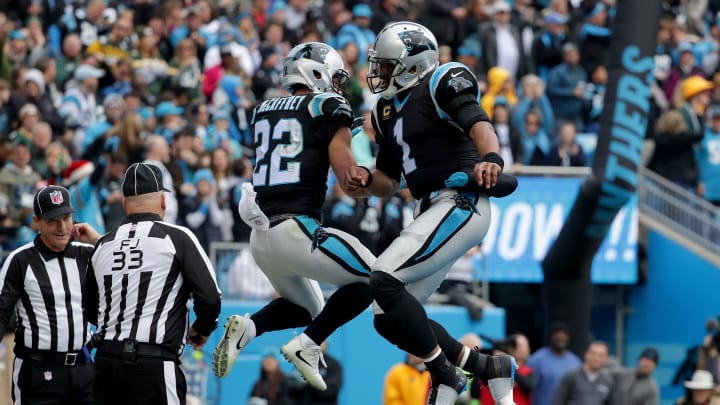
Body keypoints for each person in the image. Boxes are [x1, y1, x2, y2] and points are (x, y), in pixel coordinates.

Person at [351, 21, 517, 405]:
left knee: (383, 278)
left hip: (460, 202)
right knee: (385, 315)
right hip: (427, 209)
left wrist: (491, 157)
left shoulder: (443, 80)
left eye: (387, 65)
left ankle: (444, 374)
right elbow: (389, 180)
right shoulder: (388, 109)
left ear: (412, 63)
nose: (380, 73)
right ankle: (483, 366)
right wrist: (362, 179)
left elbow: (479, 123)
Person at [212, 42, 375, 393]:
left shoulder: (264, 109)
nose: (337, 88)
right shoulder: (327, 107)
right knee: (376, 278)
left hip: (262, 238)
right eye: (333, 78)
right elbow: (349, 182)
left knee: (311, 309)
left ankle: (250, 328)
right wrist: (381, 178)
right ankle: (309, 344)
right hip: (297, 230)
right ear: (315, 73)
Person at [84, 162, 222, 405]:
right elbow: (210, 298)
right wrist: (202, 329)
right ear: (163, 201)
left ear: (124, 204)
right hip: (154, 363)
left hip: (106, 364)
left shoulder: (103, 244)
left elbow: (92, 308)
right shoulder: (177, 237)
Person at [0, 185, 100, 405]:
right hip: (38, 373)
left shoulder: (88, 254)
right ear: (36, 221)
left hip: (83, 370)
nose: (62, 227)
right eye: (52, 220)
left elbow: (131, 272)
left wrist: (99, 241)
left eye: (66, 218)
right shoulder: (20, 261)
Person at [527, 322, 582, 405]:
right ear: (551, 337)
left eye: (564, 335)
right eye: (557, 335)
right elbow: (528, 387)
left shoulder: (575, 361)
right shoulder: (537, 359)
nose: (561, 338)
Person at [551, 340, 614, 405]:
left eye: (601, 355)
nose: (596, 358)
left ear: (606, 359)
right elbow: (557, 400)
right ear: (586, 354)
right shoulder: (571, 375)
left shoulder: (608, 380)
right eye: (593, 353)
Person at [289, 341, 343, 405]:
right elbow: (291, 390)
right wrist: (296, 385)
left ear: (326, 344)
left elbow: (332, 390)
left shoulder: (333, 364)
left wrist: (313, 382)